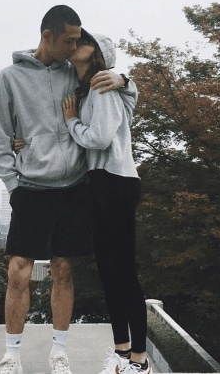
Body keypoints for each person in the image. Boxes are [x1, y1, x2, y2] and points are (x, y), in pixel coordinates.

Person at [0, 5, 136, 374]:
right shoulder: (10, 77)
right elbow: (1, 138)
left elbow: (114, 89)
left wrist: (125, 80)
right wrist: (13, 185)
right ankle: (11, 356)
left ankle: (59, 353)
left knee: (64, 270)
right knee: (18, 271)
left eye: (78, 41)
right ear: (48, 36)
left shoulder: (75, 72)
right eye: (69, 40)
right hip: (31, 186)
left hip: (74, 185)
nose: (74, 47)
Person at [61, 28, 151, 374]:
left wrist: (71, 122)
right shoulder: (88, 90)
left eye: (83, 41)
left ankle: (139, 361)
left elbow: (98, 139)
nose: (75, 44)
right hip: (100, 183)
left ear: (98, 53)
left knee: (124, 272)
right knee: (109, 273)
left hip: (116, 181)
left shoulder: (103, 86)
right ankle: (121, 353)